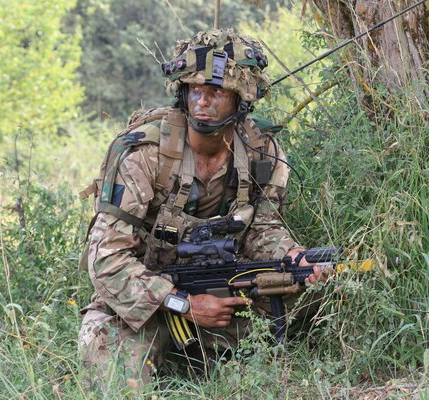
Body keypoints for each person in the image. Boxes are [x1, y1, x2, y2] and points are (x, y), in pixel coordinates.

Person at [77, 28, 327, 387]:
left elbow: (263, 230)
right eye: (195, 90)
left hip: (223, 290)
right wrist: (185, 304)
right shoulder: (143, 153)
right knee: (109, 365)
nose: (202, 102)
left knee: (302, 296)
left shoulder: (261, 153)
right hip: (144, 298)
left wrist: (293, 258)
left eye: (216, 92)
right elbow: (106, 259)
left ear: (242, 99)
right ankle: (167, 351)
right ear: (182, 92)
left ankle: (208, 359)